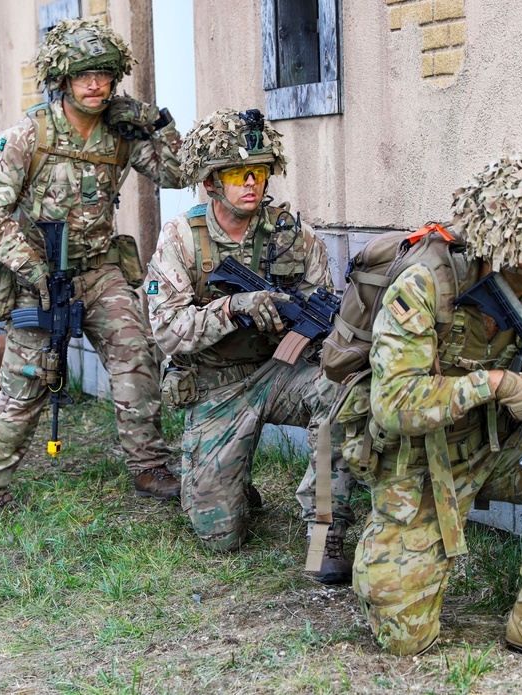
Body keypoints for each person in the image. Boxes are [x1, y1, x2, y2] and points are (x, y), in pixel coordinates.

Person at [352, 151, 522, 663]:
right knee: (404, 639)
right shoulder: (427, 283)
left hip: (498, 448)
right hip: (422, 459)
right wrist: (492, 383)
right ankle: (365, 526)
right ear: (517, 244)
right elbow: (391, 404)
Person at [0, 17, 184, 518]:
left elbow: (177, 173)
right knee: (27, 380)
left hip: (100, 270)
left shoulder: (121, 135)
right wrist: (30, 267)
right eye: (84, 75)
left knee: (136, 353)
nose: (96, 85)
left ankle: (149, 465)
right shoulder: (28, 135)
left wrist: (158, 122)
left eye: (105, 74)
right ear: (61, 78)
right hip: (38, 276)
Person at [142, 108, 356, 582]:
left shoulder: (293, 237)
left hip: (282, 372)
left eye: (259, 173)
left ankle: (325, 532)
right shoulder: (182, 238)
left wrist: (315, 327)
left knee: (343, 392)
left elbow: (326, 317)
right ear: (211, 183)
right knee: (220, 537)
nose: (251, 184)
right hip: (215, 383)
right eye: (239, 174)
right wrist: (233, 308)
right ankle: (230, 484)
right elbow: (167, 331)